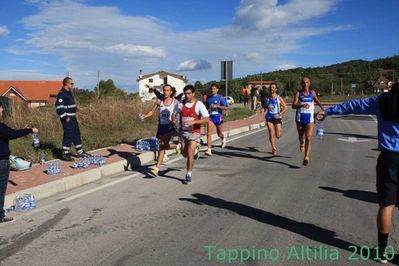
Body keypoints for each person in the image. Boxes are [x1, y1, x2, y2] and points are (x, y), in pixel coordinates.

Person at [317, 83, 399, 264]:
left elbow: (353, 105)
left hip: (390, 159)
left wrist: (328, 112)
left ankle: (382, 251)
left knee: (387, 205)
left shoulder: (382, 100)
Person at [0, 102, 39, 223]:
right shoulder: (0, 126)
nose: (2, 110)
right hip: (1, 160)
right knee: (1, 189)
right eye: (0, 108)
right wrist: (30, 130)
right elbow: (12, 134)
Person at [174, 85, 209, 184]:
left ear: (193, 94)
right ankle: (196, 151)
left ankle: (188, 174)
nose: (187, 95)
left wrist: (194, 122)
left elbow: (206, 118)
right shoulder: (181, 103)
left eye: (189, 93)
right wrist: (174, 117)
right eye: (185, 94)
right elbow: (175, 113)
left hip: (194, 133)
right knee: (184, 154)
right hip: (183, 132)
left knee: (189, 152)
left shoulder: (199, 104)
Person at [143, 85, 180, 177]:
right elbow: (152, 112)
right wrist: (144, 116)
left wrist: (175, 119)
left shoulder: (175, 102)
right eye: (164, 90)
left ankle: (156, 168)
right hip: (161, 126)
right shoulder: (159, 101)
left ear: (171, 92)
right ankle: (176, 146)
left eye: (167, 90)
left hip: (170, 126)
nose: (165, 92)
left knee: (161, 146)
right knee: (162, 147)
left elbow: (179, 112)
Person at [292, 77, 324, 166]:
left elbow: (317, 101)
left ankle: (306, 157)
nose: (305, 84)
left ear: (309, 83)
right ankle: (301, 143)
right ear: (301, 84)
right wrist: (301, 105)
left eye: (307, 82)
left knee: (309, 137)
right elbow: (293, 106)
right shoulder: (298, 93)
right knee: (301, 136)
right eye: (303, 83)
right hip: (300, 118)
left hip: (310, 119)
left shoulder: (312, 93)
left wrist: (323, 109)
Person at [56, 77, 89, 161]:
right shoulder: (62, 93)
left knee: (76, 133)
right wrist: (64, 117)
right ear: (66, 84)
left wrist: (75, 108)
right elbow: (59, 107)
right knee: (68, 135)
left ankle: (80, 152)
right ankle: (65, 153)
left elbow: (68, 105)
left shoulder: (69, 93)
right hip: (67, 118)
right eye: (71, 83)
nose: (73, 85)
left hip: (73, 117)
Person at [205, 84, 228, 156]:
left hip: (218, 117)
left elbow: (226, 107)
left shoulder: (220, 97)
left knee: (219, 134)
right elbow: (206, 108)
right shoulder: (209, 98)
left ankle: (223, 138)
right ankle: (209, 149)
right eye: (212, 89)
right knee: (208, 133)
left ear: (217, 90)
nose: (212, 90)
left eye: (214, 89)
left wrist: (217, 106)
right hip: (211, 117)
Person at [265, 83, 287, 155]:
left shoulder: (278, 98)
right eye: (271, 87)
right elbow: (266, 107)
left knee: (278, 136)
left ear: (276, 89)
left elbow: (285, 107)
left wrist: (279, 114)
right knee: (271, 132)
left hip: (277, 118)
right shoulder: (268, 98)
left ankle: (280, 129)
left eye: (273, 88)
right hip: (269, 118)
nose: (272, 89)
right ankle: (273, 148)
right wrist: (263, 110)